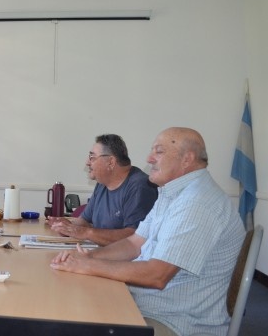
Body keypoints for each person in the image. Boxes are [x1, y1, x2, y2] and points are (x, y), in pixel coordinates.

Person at [50, 127, 246, 336]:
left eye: (159, 151)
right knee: (71, 310)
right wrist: (88, 256)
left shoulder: (197, 202)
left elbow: (157, 275)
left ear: (187, 159)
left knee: (71, 324)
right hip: (148, 305)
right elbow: (134, 243)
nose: (149, 158)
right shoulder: (170, 194)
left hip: (175, 323)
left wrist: (89, 265)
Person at [47, 134, 158, 246]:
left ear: (111, 162)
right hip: (102, 252)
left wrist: (86, 233)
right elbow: (84, 221)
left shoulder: (140, 187)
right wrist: (66, 226)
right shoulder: (102, 183)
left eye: (92, 157)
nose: (87, 162)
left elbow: (134, 237)